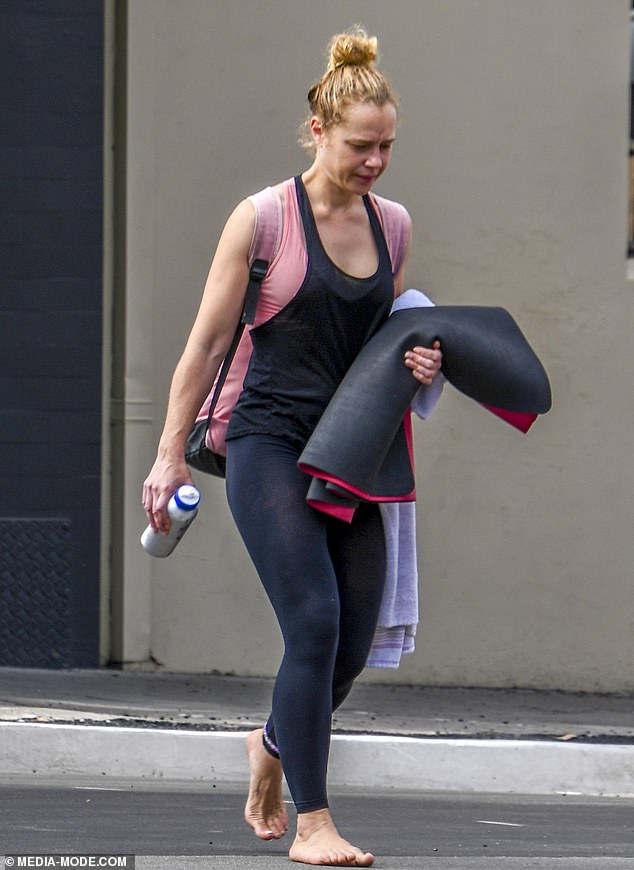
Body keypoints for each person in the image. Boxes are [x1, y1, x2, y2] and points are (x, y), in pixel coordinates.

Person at [143, 27, 442, 868]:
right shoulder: (263, 220)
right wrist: (169, 455)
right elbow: (203, 347)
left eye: (387, 145)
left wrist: (419, 358)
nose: (376, 160)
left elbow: (379, 339)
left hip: (350, 443)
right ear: (319, 131)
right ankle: (313, 824)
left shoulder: (395, 226)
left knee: (350, 642)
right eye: (361, 145)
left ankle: (270, 745)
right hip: (265, 442)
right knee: (312, 621)